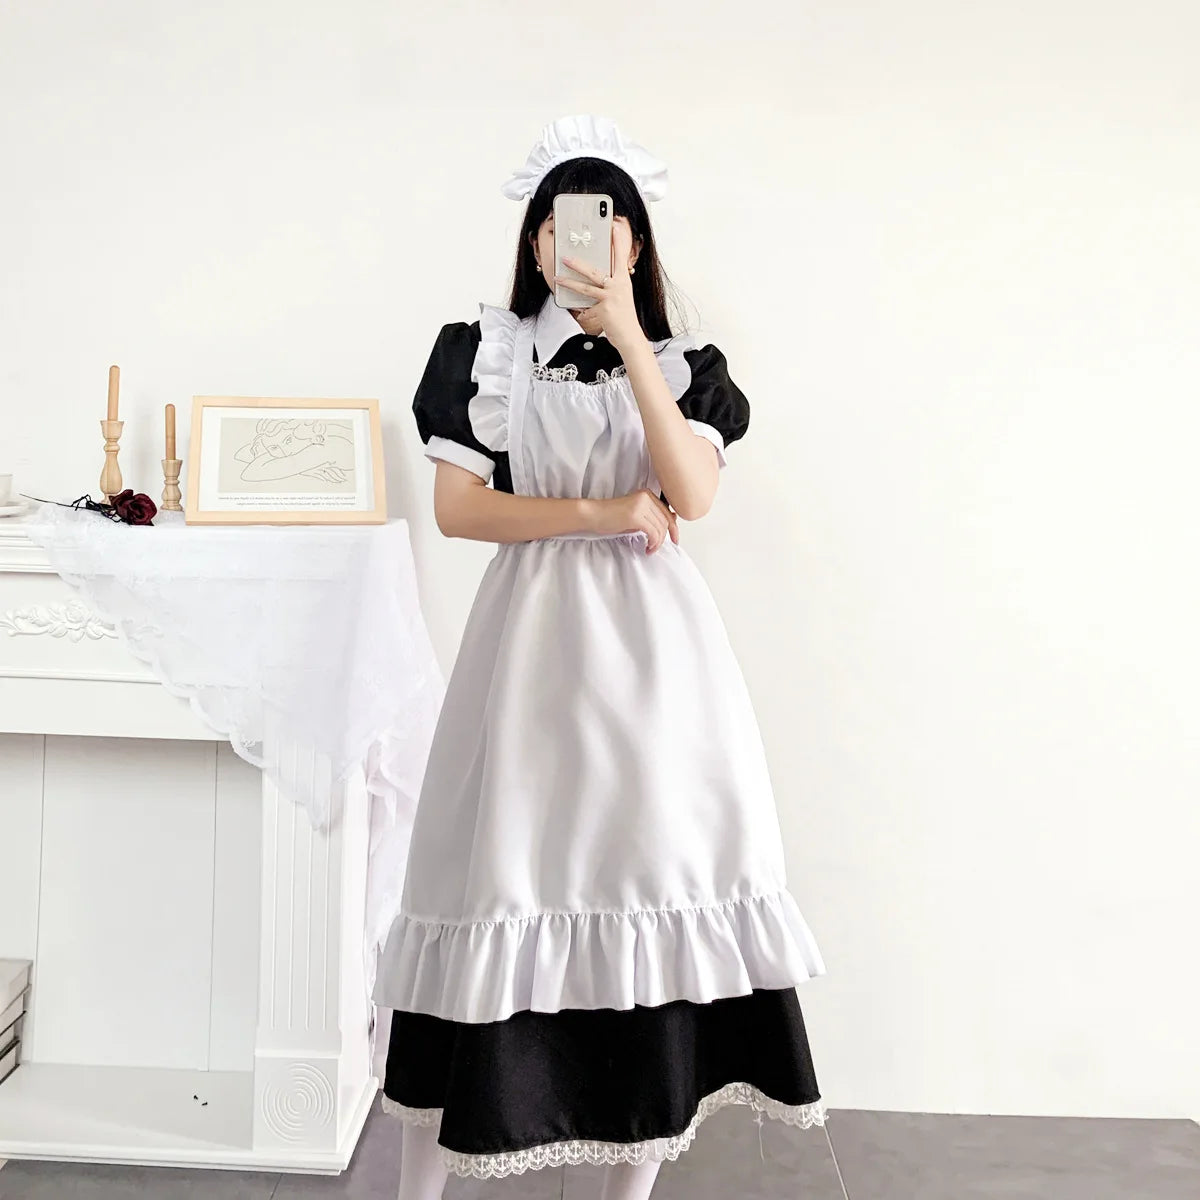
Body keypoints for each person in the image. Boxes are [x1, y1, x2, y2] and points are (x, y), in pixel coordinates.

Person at [372, 114, 828, 1200]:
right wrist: (599, 512)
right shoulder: (482, 353)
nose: (582, 239)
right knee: (494, 876)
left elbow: (693, 494)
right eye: (561, 222)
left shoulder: (683, 364)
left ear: (636, 243)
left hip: (655, 663)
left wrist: (626, 337)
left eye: (609, 221)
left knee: (651, 873)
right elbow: (459, 511)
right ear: (535, 240)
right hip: (528, 649)